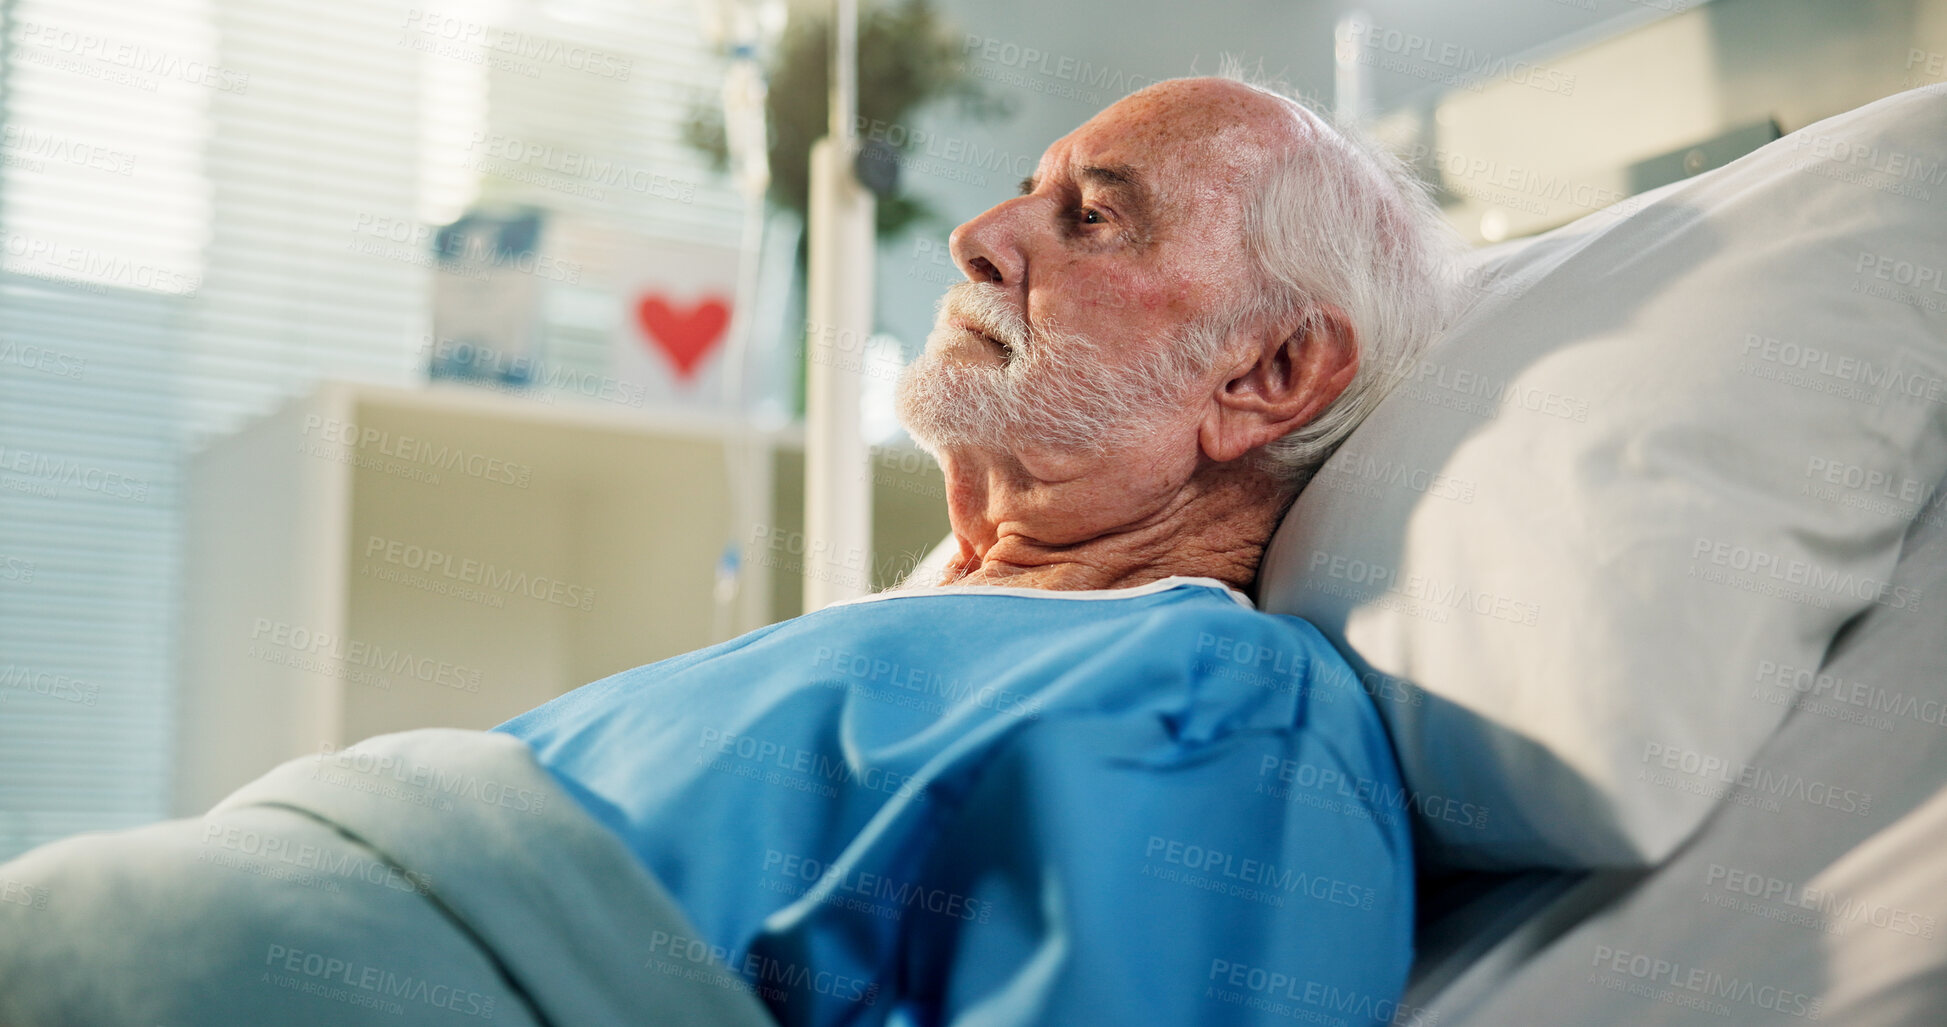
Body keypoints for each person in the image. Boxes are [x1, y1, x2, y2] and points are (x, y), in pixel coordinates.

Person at [494, 71, 1459, 1026]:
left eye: (1094, 217)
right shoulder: (940, 626)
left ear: (1271, 370)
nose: (975, 236)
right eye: (1028, 192)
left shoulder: (1215, 704)